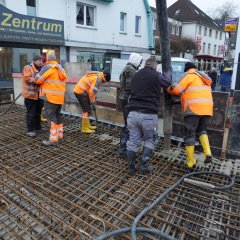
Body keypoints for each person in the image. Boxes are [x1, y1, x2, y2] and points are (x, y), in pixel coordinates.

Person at [126, 58, 171, 175]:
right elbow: (167, 83)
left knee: (133, 141)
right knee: (150, 140)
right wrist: (168, 74)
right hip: (148, 115)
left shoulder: (135, 75)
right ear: (155, 66)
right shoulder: (155, 75)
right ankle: (144, 166)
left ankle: (131, 167)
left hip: (132, 114)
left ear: (145, 64)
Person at [167, 62, 213, 168]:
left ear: (187, 69)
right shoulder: (204, 78)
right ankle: (208, 153)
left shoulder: (189, 76)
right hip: (207, 109)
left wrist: (168, 89)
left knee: (190, 134)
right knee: (202, 130)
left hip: (193, 109)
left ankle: (191, 162)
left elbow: (176, 90)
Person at [34, 53, 67, 146]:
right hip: (60, 97)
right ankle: (59, 137)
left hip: (50, 98)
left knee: (51, 118)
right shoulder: (61, 68)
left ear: (47, 60)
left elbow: (36, 80)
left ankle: (53, 140)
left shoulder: (47, 67)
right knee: (58, 116)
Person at [118, 53, 143, 157]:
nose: (140, 64)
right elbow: (130, 86)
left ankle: (124, 146)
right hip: (128, 100)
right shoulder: (130, 70)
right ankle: (123, 148)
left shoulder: (127, 68)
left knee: (128, 124)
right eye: (140, 61)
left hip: (124, 99)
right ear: (136, 60)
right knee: (129, 124)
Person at [73, 69, 111, 133]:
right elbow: (91, 93)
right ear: (105, 79)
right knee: (86, 110)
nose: (105, 83)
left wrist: (93, 99)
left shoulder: (98, 76)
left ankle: (88, 126)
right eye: (105, 81)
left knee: (87, 109)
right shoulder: (98, 79)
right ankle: (85, 128)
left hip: (82, 91)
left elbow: (92, 90)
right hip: (80, 92)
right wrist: (92, 102)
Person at [21, 55, 44, 137]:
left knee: (38, 112)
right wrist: (38, 81)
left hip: (39, 95)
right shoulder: (28, 67)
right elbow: (28, 78)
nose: (41, 62)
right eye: (39, 61)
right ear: (34, 61)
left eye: (42, 61)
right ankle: (30, 130)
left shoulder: (42, 68)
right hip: (30, 95)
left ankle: (38, 127)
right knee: (31, 113)